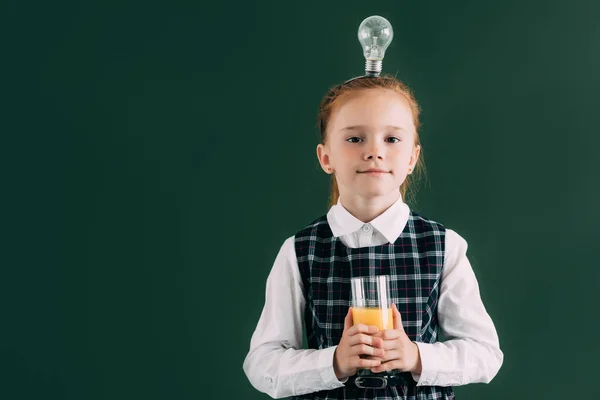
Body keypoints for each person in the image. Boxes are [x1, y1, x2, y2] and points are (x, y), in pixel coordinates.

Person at [242, 75, 503, 400]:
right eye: (355, 139)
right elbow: (262, 363)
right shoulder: (299, 252)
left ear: (412, 158)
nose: (374, 151)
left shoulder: (444, 246)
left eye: (392, 139)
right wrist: (334, 362)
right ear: (326, 158)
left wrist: (415, 356)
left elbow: (485, 355)